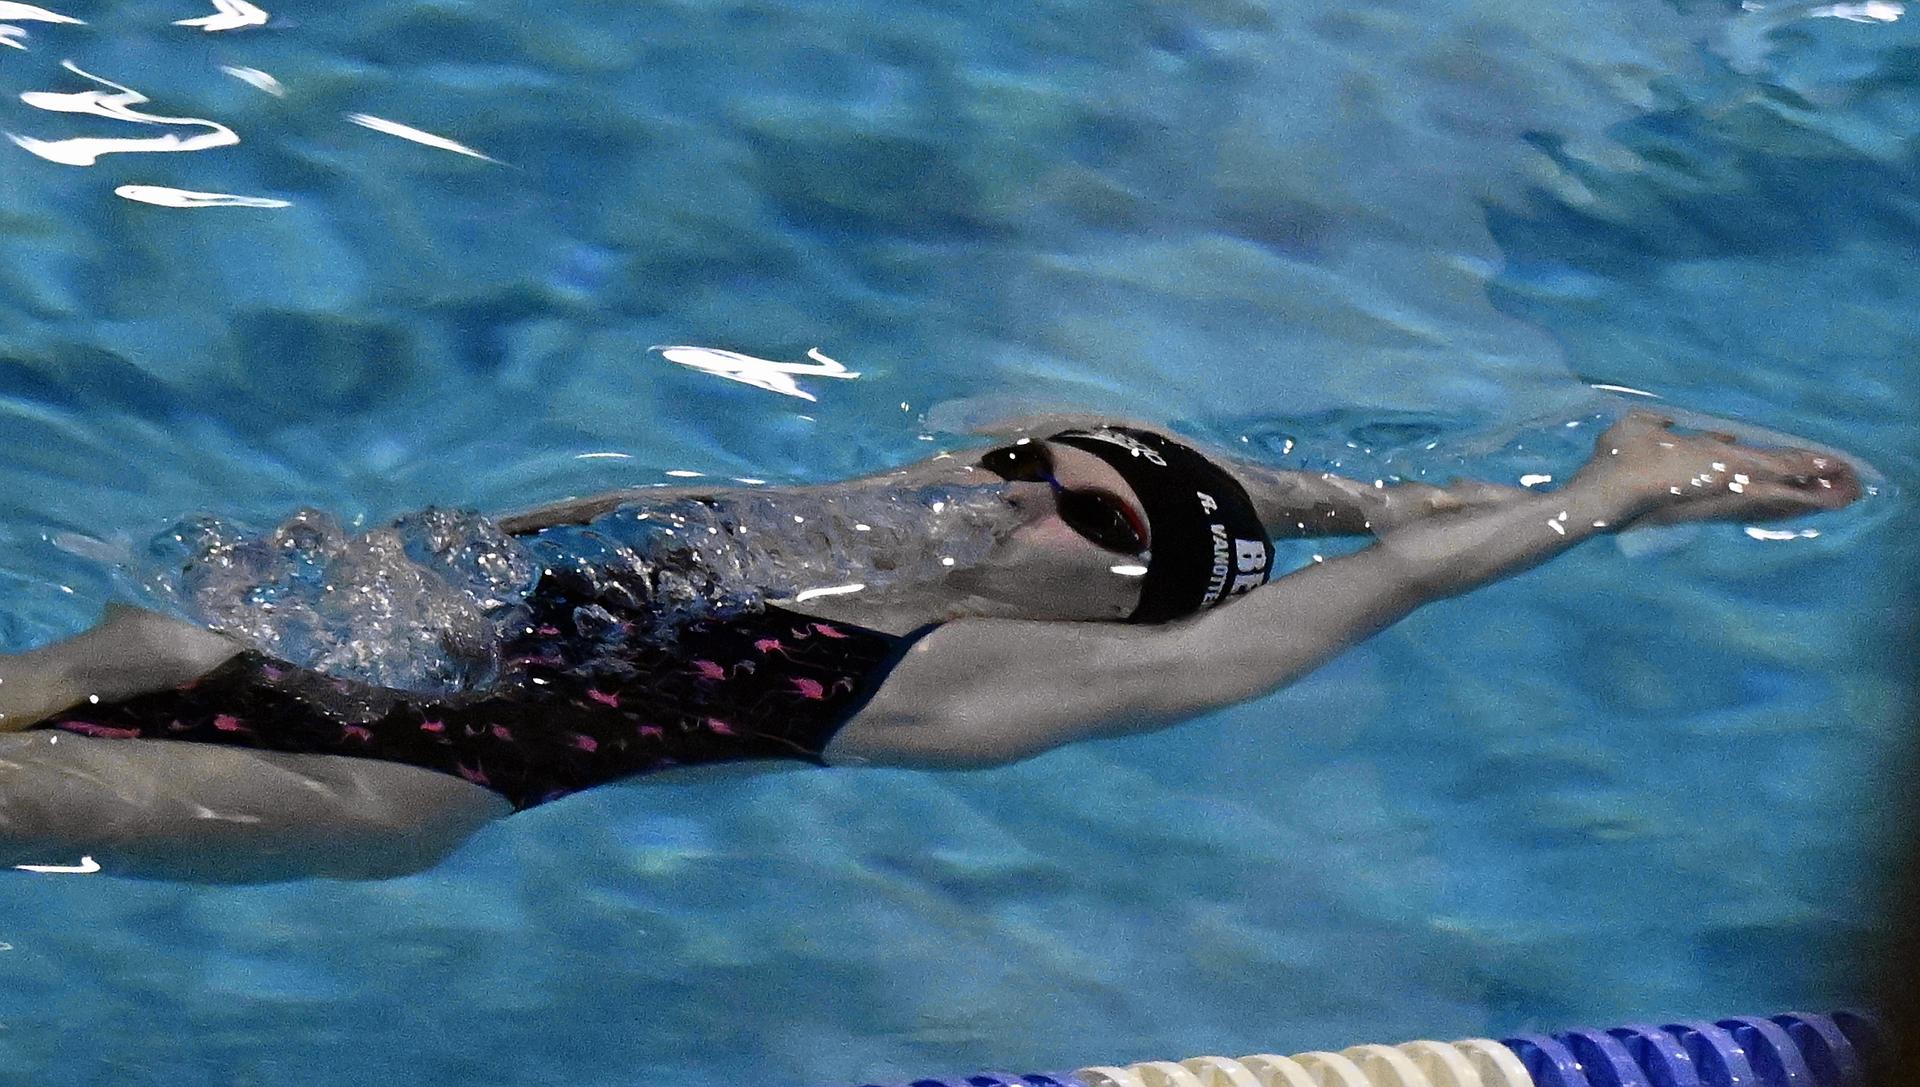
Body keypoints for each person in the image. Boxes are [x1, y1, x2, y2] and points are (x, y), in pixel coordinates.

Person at [0, 410, 1862, 881]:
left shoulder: (963, 683)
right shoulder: (881, 514)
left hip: (403, 778)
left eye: (1088, 524)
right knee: (139, 638)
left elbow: (1338, 607)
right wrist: (1367, 494)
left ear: (1119, 608)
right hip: (250, 634)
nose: (1019, 499)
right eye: (1023, 469)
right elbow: (1174, 473)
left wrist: (1601, 495)